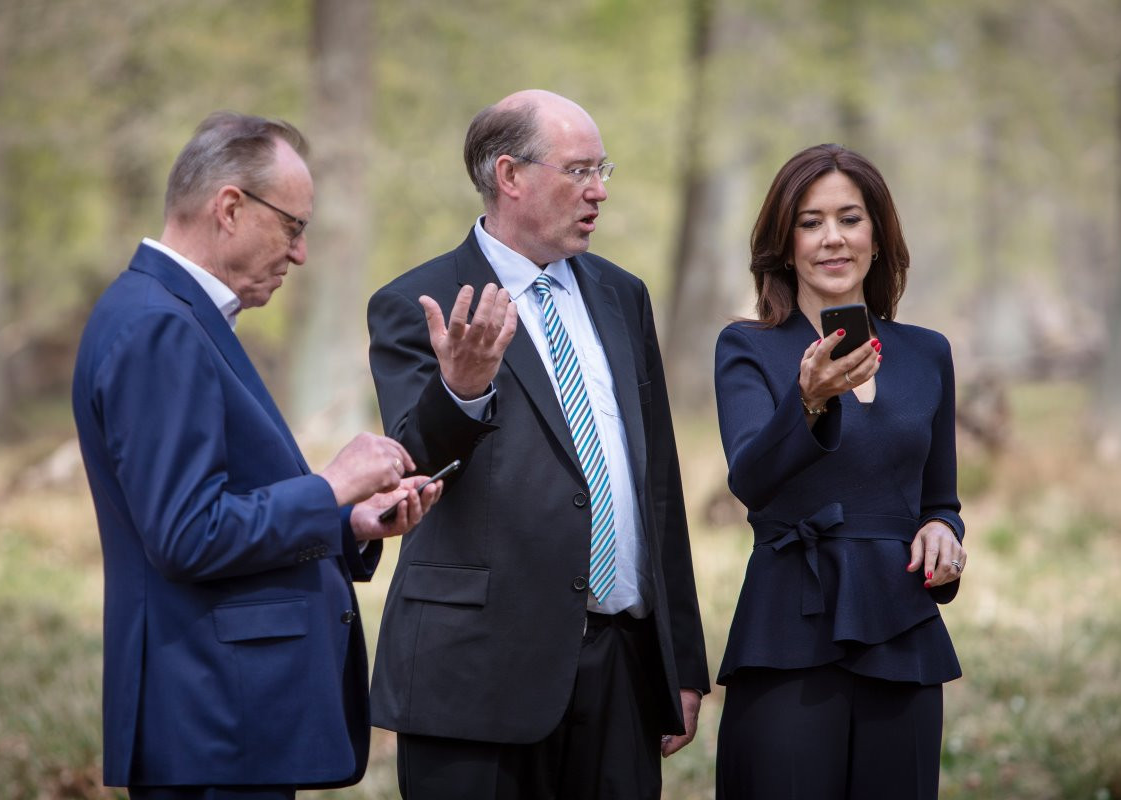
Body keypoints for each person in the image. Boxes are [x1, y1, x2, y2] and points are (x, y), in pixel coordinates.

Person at [72, 112, 443, 799]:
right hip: (213, 721)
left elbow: (213, 509)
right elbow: (187, 536)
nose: (300, 254)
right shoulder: (159, 326)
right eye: (294, 227)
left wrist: (348, 524)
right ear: (231, 208)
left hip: (226, 720)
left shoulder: (172, 315)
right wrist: (330, 484)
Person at [365, 89, 710, 800]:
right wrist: (460, 390)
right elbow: (409, 469)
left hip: (620, 667)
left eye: (604, 170)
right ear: (510, 175)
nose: (600, 191)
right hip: (476, 682)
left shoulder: (623, 296)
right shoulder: (420, 300)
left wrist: (680, 660)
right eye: (580, 171)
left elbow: (658, 487)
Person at [712, 143, 969, 799]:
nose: (832, 239)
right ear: (786, 242)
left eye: (850, 218)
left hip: (901, 631)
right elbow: (751, 477)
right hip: (787, 629)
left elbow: (940, 498)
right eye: (810, 221)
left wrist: (944, 532)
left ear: (878, 236)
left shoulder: (927, 354)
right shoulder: (748, 347)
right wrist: (811, 398)